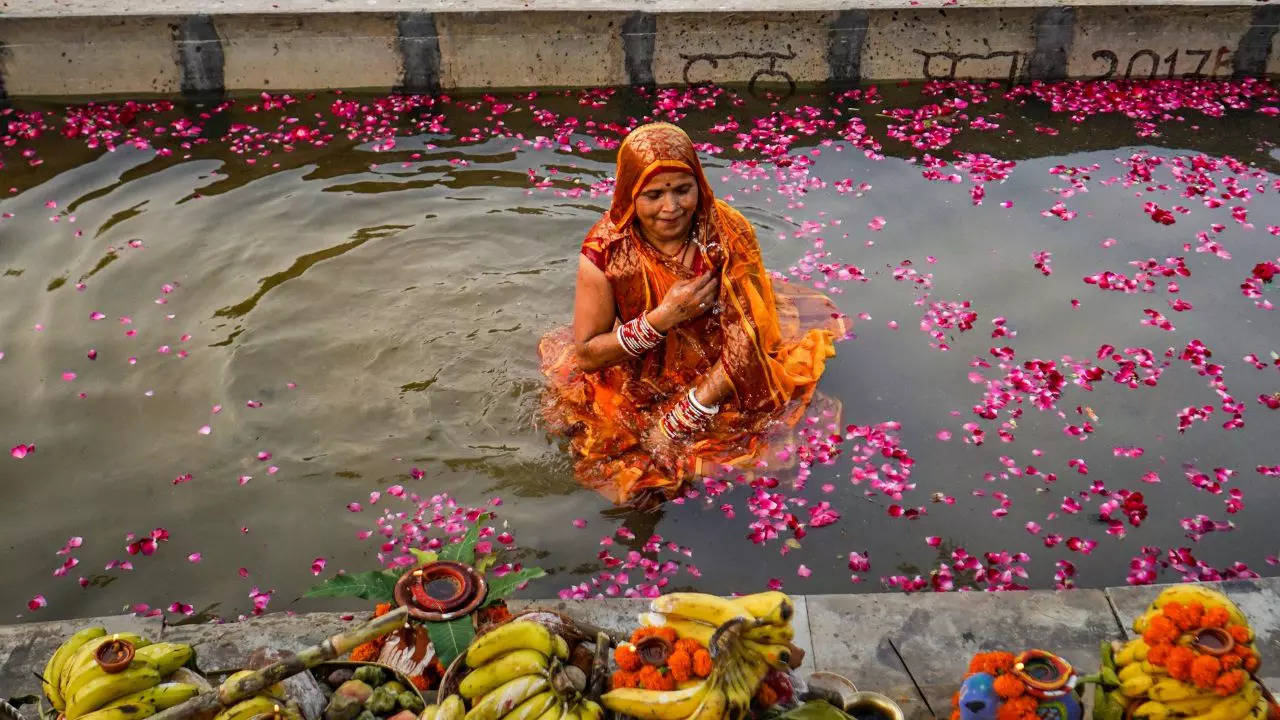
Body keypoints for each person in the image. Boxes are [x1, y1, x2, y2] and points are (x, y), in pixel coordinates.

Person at [538, 122, 841, 507]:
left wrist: (681, 419)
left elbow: (745, 339)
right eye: (653, 195)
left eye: (683, 190)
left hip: (721, 366)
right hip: (636, 367)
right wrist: (662, 319)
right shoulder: (606, 251)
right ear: (630, 197)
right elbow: (587, 353)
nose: (671, 207)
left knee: (761, 453)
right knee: (628, 478)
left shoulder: (726, 233)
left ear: (699, 183)